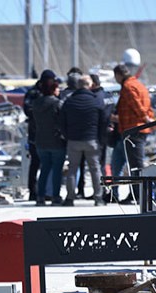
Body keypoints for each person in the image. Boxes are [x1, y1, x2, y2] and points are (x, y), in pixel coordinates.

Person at [110, 64, 155, 205]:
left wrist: (145, 119)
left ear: (118, 75)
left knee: (135, 165)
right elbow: (147, 105)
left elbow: (137, 105)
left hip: (133, 129)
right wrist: (150, 118)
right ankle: (137, 193)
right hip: (139, 129)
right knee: (135, 164)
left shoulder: (128, 87)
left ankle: (137, 195)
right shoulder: (139, 85)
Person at [60, 75, 107, 206]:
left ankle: (70, 198)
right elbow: (104, 121)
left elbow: (61, 121)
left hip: (74, 140)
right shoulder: (96, 101)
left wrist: (67, 135)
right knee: (95, 169)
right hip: (92, 140)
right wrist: (100, 138)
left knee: (72, 169)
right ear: (90, 85)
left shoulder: (70, 101)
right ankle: (98, 198)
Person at [32, 70, 66, 206]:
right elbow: (62, 121)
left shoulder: (36, 103)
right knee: (57, 170)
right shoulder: (57, 104)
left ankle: (40, 196)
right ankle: (55, 196)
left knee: (44, 169)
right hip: (56, 141)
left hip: (40, 140)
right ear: (53, 89)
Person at [60, 67, 87, 198]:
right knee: (81, 165)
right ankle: (80, 189)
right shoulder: (83, 96)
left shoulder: (63, 96)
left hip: (69, 135)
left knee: (72, 166)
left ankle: (71, 193)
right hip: (84, 135)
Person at [89, 73, 115, 201]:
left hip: (97, 136)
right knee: (105, 165)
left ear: (93, 84)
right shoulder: (108, 95)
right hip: (107, 135)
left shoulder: (95, 97)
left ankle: (102, 191)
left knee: (98, 166)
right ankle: (106, 191)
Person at [23, 73, 43, 201]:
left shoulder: (46, 93)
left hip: (43, 133)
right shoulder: (33, 93)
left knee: (43, 164)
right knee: (35, 163)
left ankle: (43, 191)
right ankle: (33, 191)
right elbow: (27, 110)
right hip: (35, 132)